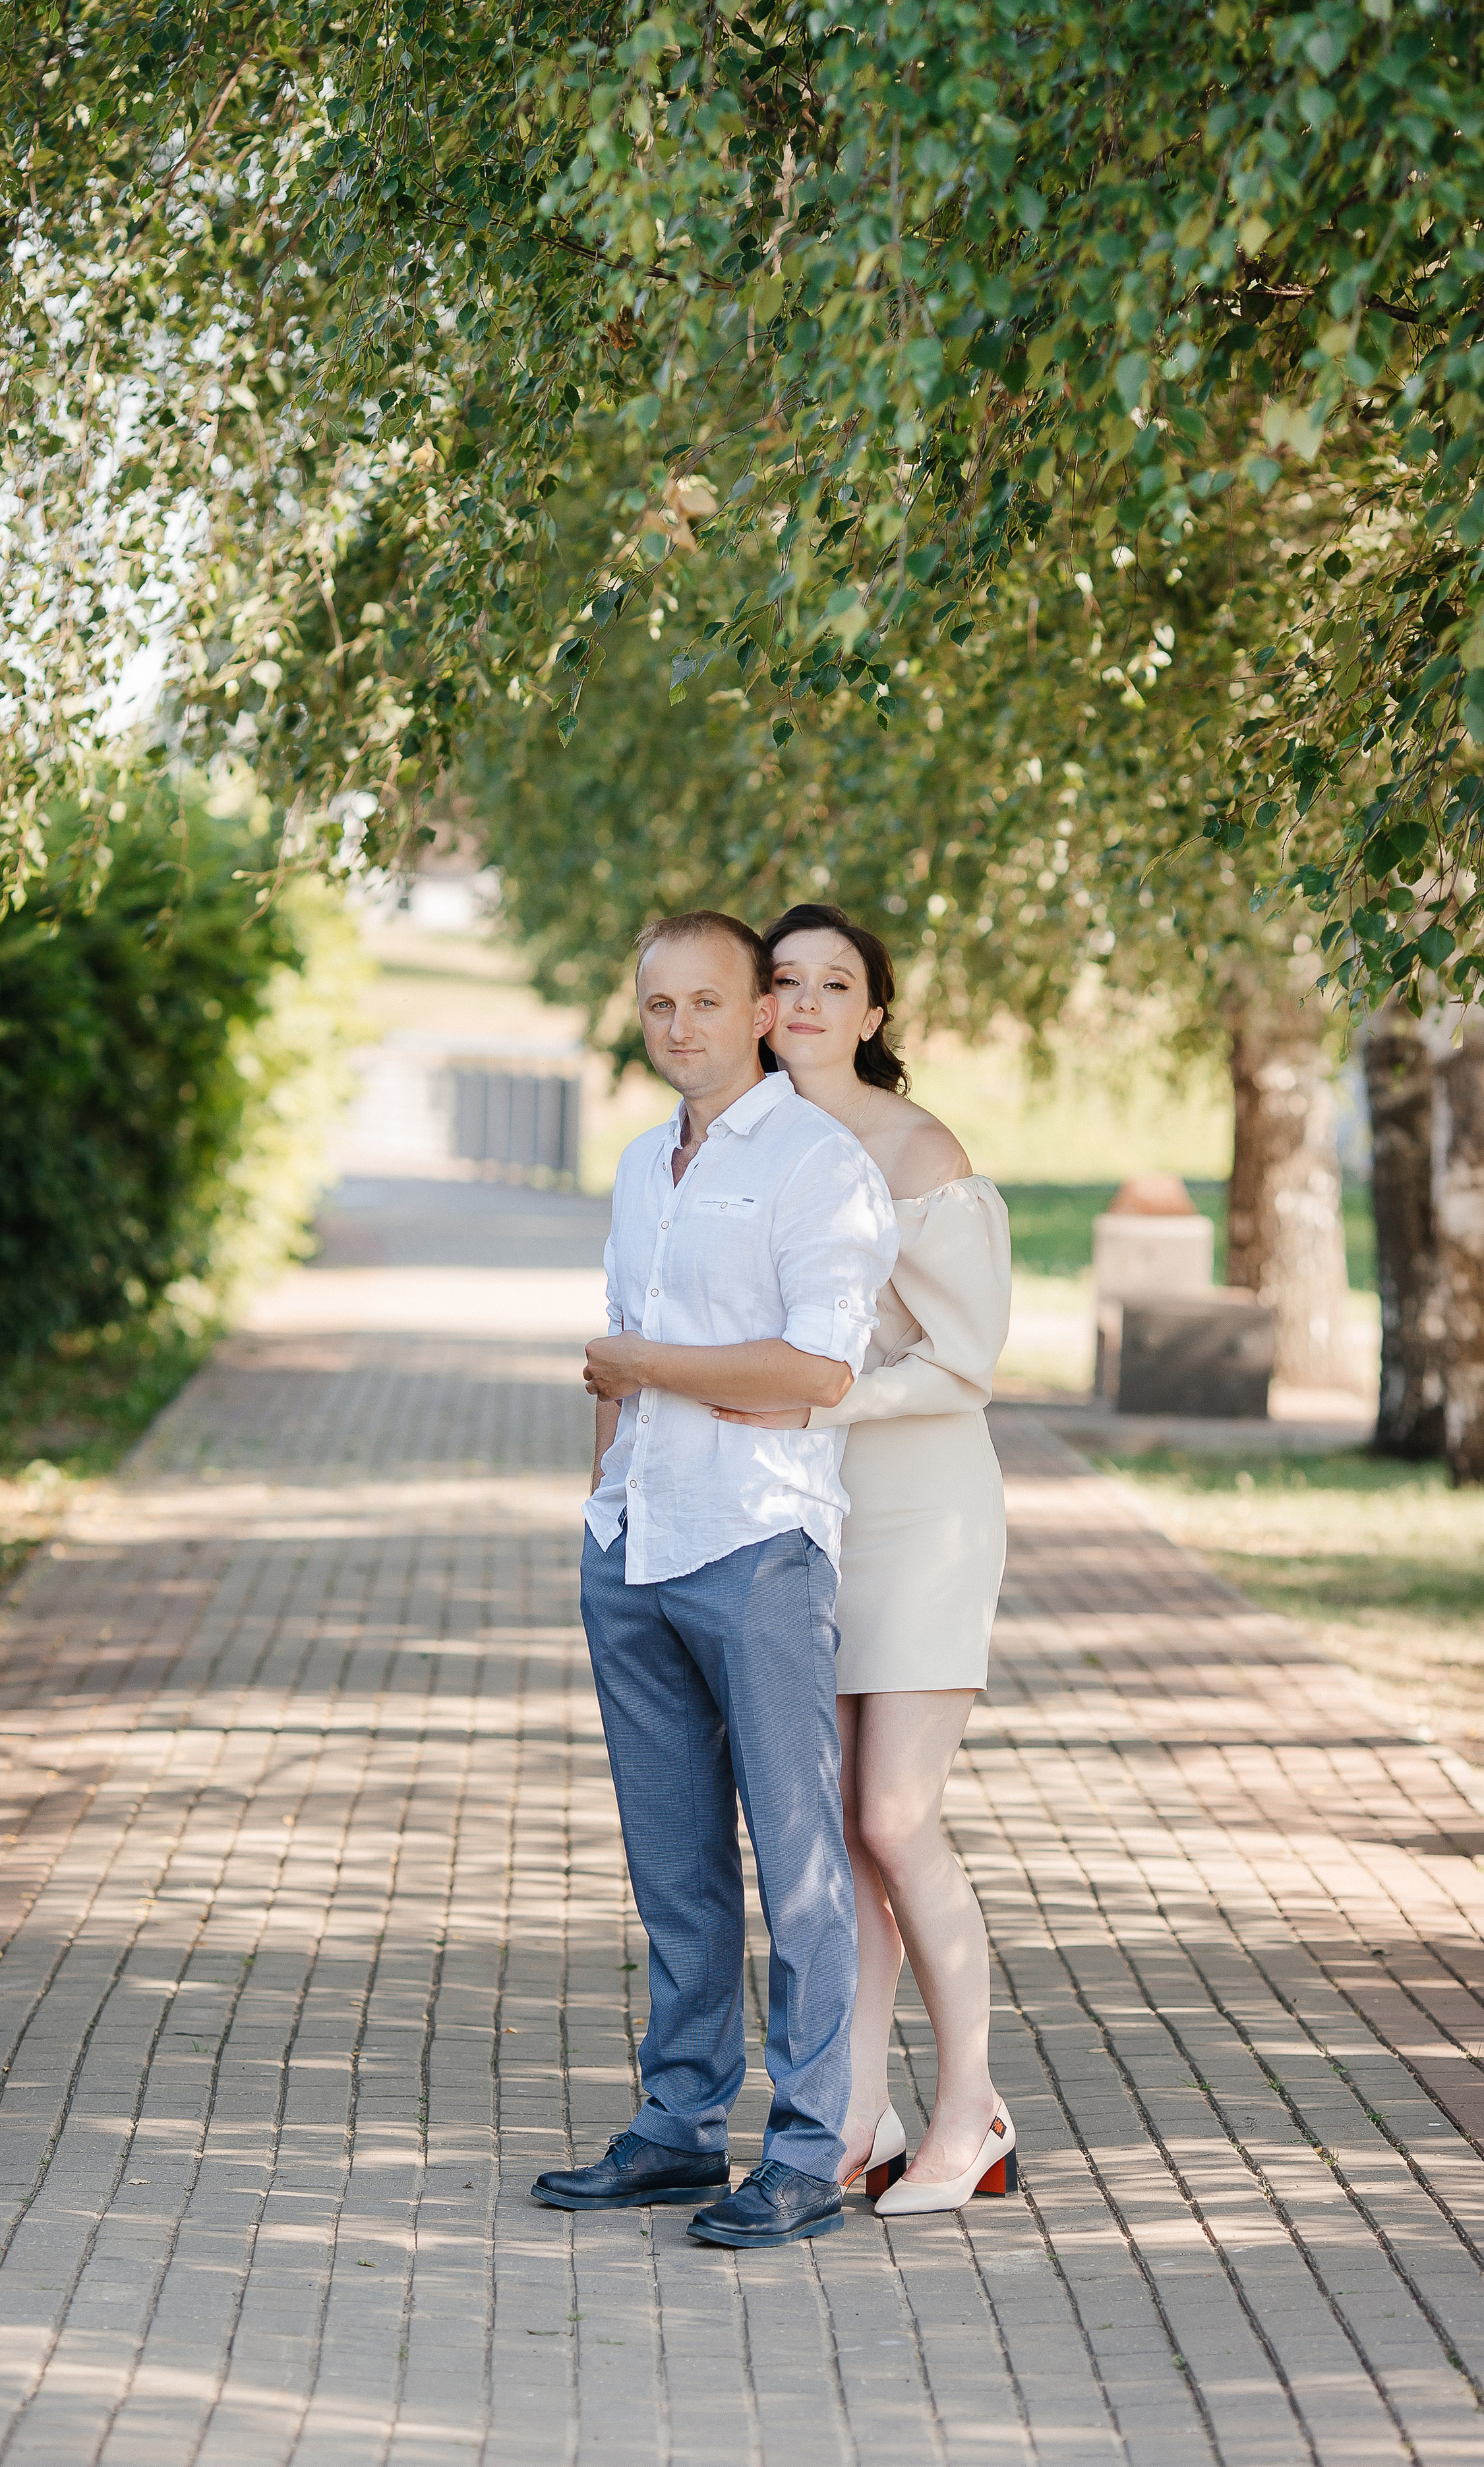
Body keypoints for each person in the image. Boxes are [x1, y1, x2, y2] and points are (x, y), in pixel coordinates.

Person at [531, 910, 897, 2249]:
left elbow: (812, 1376)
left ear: (759, 1013)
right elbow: (619, 1356)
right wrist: (601, 1496)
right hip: (636, 1541)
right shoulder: (640, 1166)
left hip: (754, 1547)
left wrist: (647, 1368)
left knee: (798, 1863)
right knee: (672, 1865)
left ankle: (806, 2154)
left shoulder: (817, 1166)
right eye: (656, 1007)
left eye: (705, 1003)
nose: (677, 1027)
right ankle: (676, 2130)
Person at [714, 903, 1015, 2216]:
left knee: (896, 1818)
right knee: (832, 1838)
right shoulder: (747, 1147)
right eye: (784, 982)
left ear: (873, 1013)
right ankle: (847, 2114)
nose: (809, 1003)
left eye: (838, 983)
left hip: (922, 1514)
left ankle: (970, 2113)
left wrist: (814, 1396)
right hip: (799, 1515)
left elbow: (963, 1365)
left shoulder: (917, 1150)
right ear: (758, 1004)